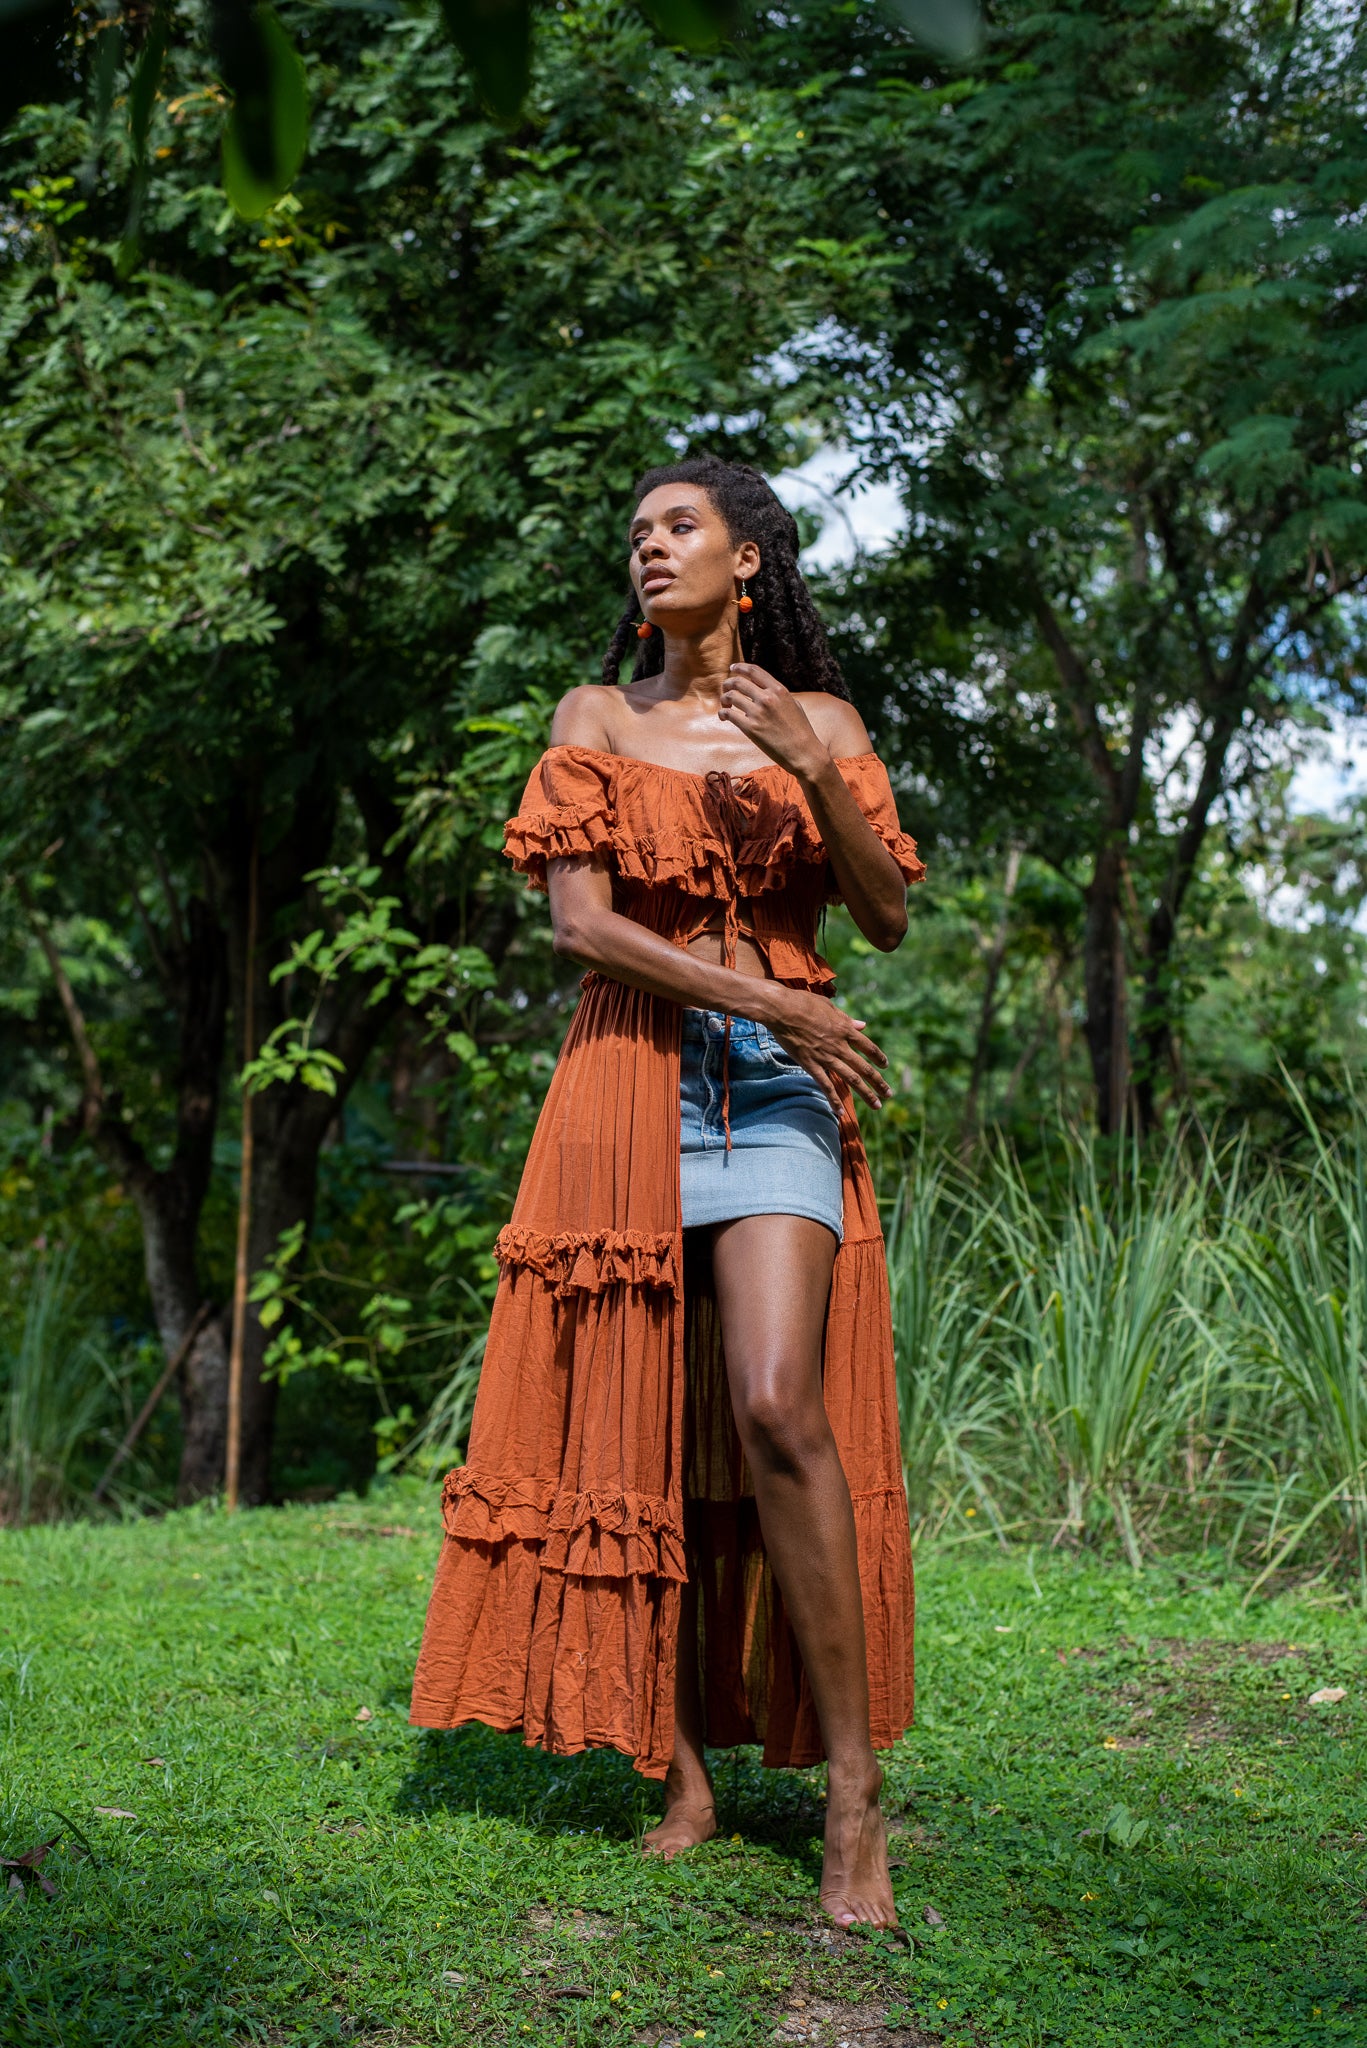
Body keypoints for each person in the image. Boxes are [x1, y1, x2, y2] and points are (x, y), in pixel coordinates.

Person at [410, 456, 924, 1928]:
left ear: (747, 559)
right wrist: (783, 1005)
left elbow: (881, 917)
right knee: (636, 1429)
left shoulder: (821, 722)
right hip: (628, 1084)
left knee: (773, 1402)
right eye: (633, 531)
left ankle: (850, 1795)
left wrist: (812, 771)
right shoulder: (595, 720)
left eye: (677, 526)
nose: (647, 547)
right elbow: (583, 927)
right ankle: (684, 1772)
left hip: (770, 1099)